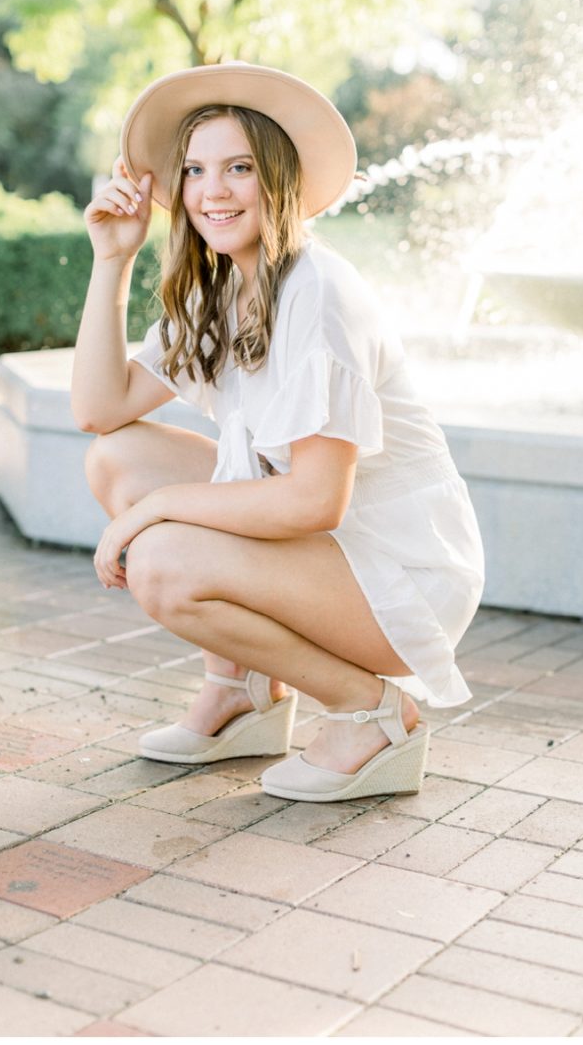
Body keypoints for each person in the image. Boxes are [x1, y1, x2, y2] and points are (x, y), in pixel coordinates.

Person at [71, 62, 484, 803]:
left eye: (239, 167)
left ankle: (373, 712)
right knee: (117, 458)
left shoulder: (316, 292)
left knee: (161, 559)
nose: (212, 190)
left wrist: (156, 512)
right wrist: (115, 258)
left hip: (399, 574)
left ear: (279, 178)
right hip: (328, 555)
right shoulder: (226, 285)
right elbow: (100, 409)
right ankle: (241, 692)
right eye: (195, 170)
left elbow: (315, 501)